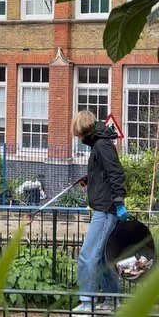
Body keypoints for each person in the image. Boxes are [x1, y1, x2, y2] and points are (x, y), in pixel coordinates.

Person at [71, 110, 129, 313]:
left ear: (83, 128)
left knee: (87, 255)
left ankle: (87, 302)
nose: (77, 137)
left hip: (105, 209)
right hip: (104, 207)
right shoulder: (100, 144)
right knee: (104, 257)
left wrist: (119, 202)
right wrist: (89, 179)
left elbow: (116, 173)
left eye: (77, 132)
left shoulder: (102, 145)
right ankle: (113, 301)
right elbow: (104, 173)